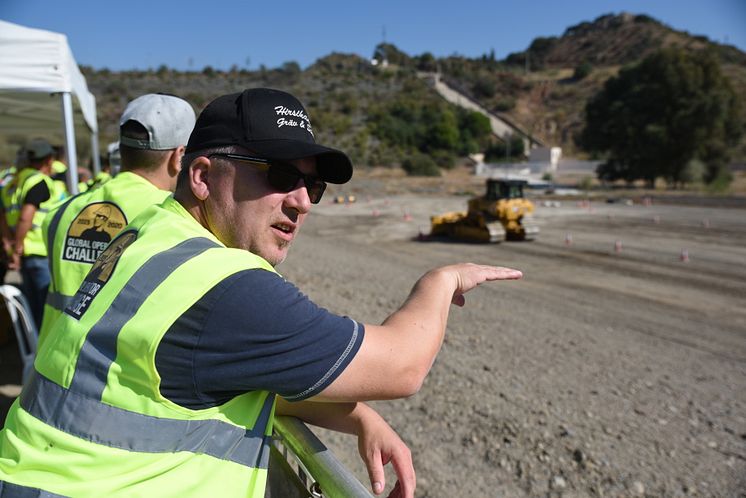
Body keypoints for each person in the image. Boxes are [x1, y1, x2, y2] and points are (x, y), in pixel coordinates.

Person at [0, 88, 522, 498]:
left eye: (312, 186)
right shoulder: (223, 287)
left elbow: (181, 383)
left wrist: (358, 415)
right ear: (201, 175)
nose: (303, 203)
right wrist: (440, 281)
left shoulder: (146, 239)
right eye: (279, 174)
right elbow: (402, 366)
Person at [38, 93, 196, 349]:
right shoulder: (174, 218)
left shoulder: (62, 211)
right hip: (106, 374)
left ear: (122, 149)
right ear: (179, 156)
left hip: (48, 361)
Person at [0, 138, 56, 327]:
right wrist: (17, 248)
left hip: (23, 254)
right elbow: (26, 217)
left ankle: (33, 345)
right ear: (48, 160)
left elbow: (3, 218)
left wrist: (11, 247)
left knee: (32, 307)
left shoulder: (12, 183)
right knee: (46, 308)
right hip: (40, 252)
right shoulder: (37, 181)